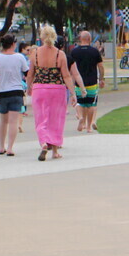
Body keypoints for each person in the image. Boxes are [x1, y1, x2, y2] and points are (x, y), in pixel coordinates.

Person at [27, 26, 81, 161]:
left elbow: (30, 74)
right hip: (57, 89)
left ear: (42, 37)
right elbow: (67, 76)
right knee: (56, 119)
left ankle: (44, 142)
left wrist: (29, 87)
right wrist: (73, 93)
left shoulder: (35, 53)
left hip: (39, 88)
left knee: (40, 118)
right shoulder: (60, 54)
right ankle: (55, 151)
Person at [0, 34, 29, 156]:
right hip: (16, 91)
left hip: (1, 92)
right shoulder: (19, 57)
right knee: (13, 121)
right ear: (13, 44)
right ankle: (10, 147)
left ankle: (1, 146)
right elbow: (27, 73)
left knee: (3, 121)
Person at [68, 30, 105, 133]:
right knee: (91, 104)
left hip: (79, 83)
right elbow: (101, 66)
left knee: (80, 103)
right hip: (92, 82)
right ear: (89, 39)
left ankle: (81, 118)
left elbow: (71, 69)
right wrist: (101, 78)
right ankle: (89, 127)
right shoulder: (94, 51)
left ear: (80, 39)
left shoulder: (74, 52)